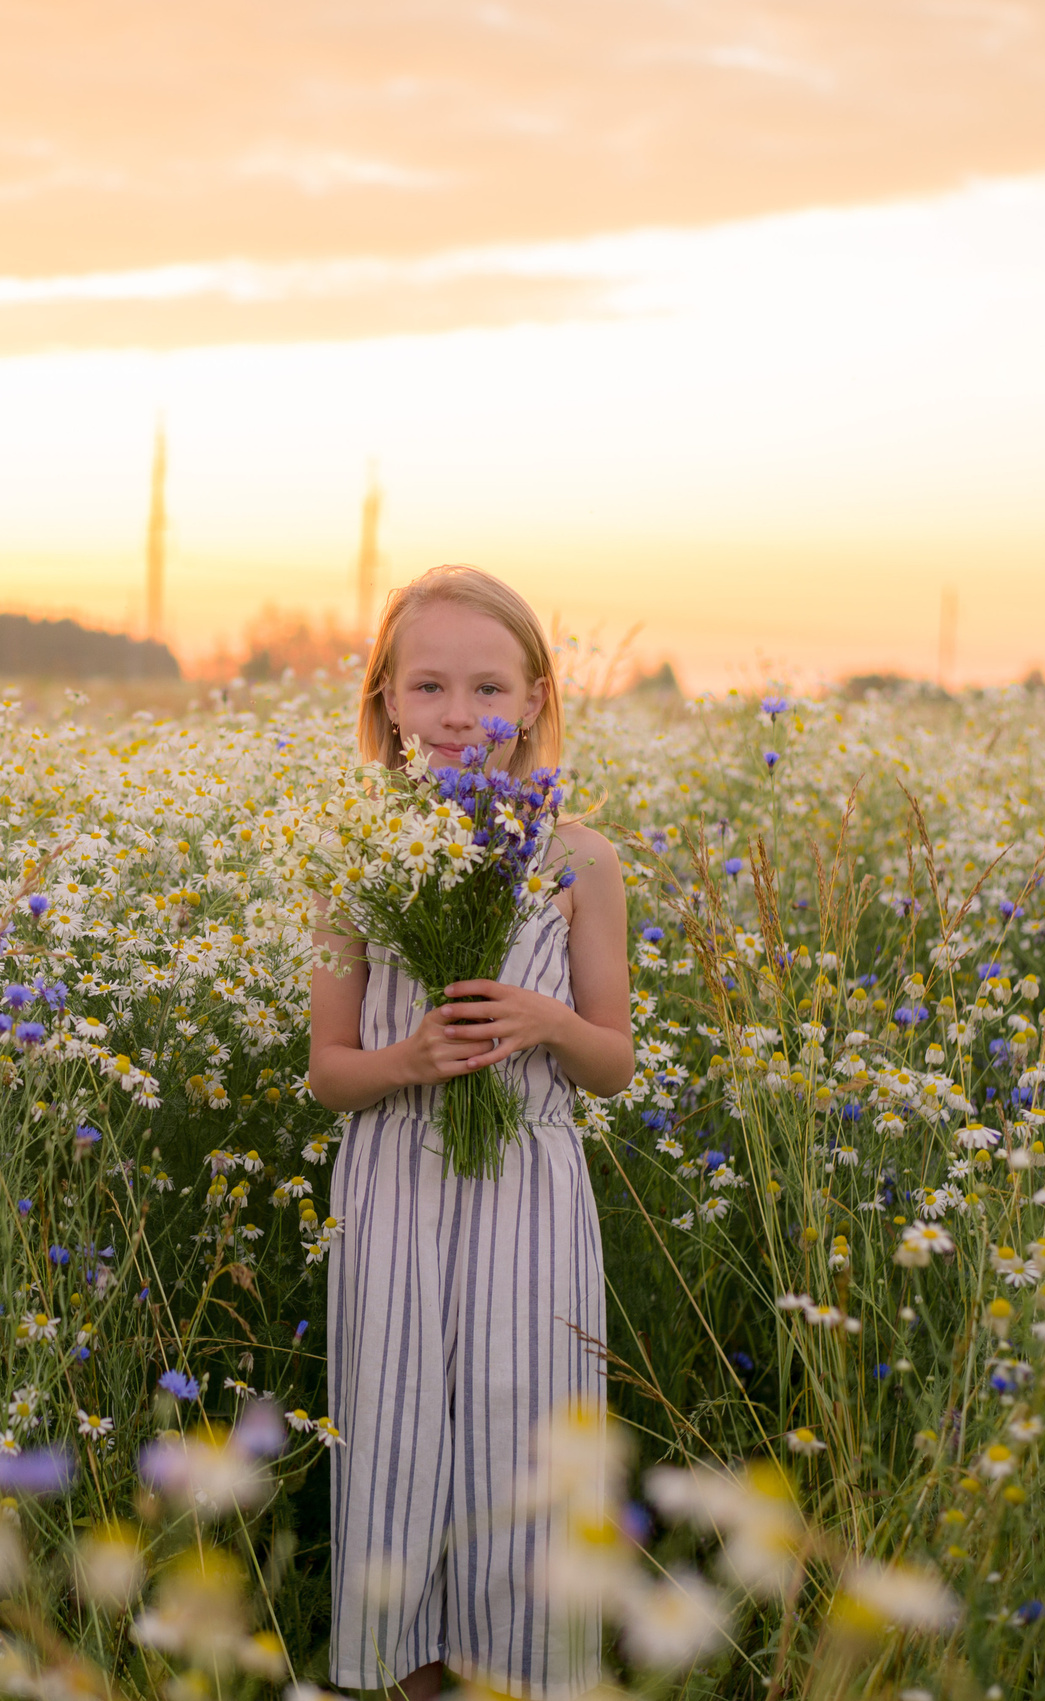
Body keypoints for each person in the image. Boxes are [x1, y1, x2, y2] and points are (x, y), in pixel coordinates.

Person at [308, 564, 635, 1699]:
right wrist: (411, 1060)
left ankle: (520, 1672)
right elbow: (329, 1072)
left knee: (523, 1425)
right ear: (386, 702)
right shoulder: (355, 848)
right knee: (395, 1431)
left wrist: (544, 1022)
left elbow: (613, 1063)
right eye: (429, 685)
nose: (459, 714)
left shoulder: (580, 856)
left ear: (537, 697)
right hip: (396, 1174)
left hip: (530, 1182)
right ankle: (403, 1670)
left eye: (488, 686)